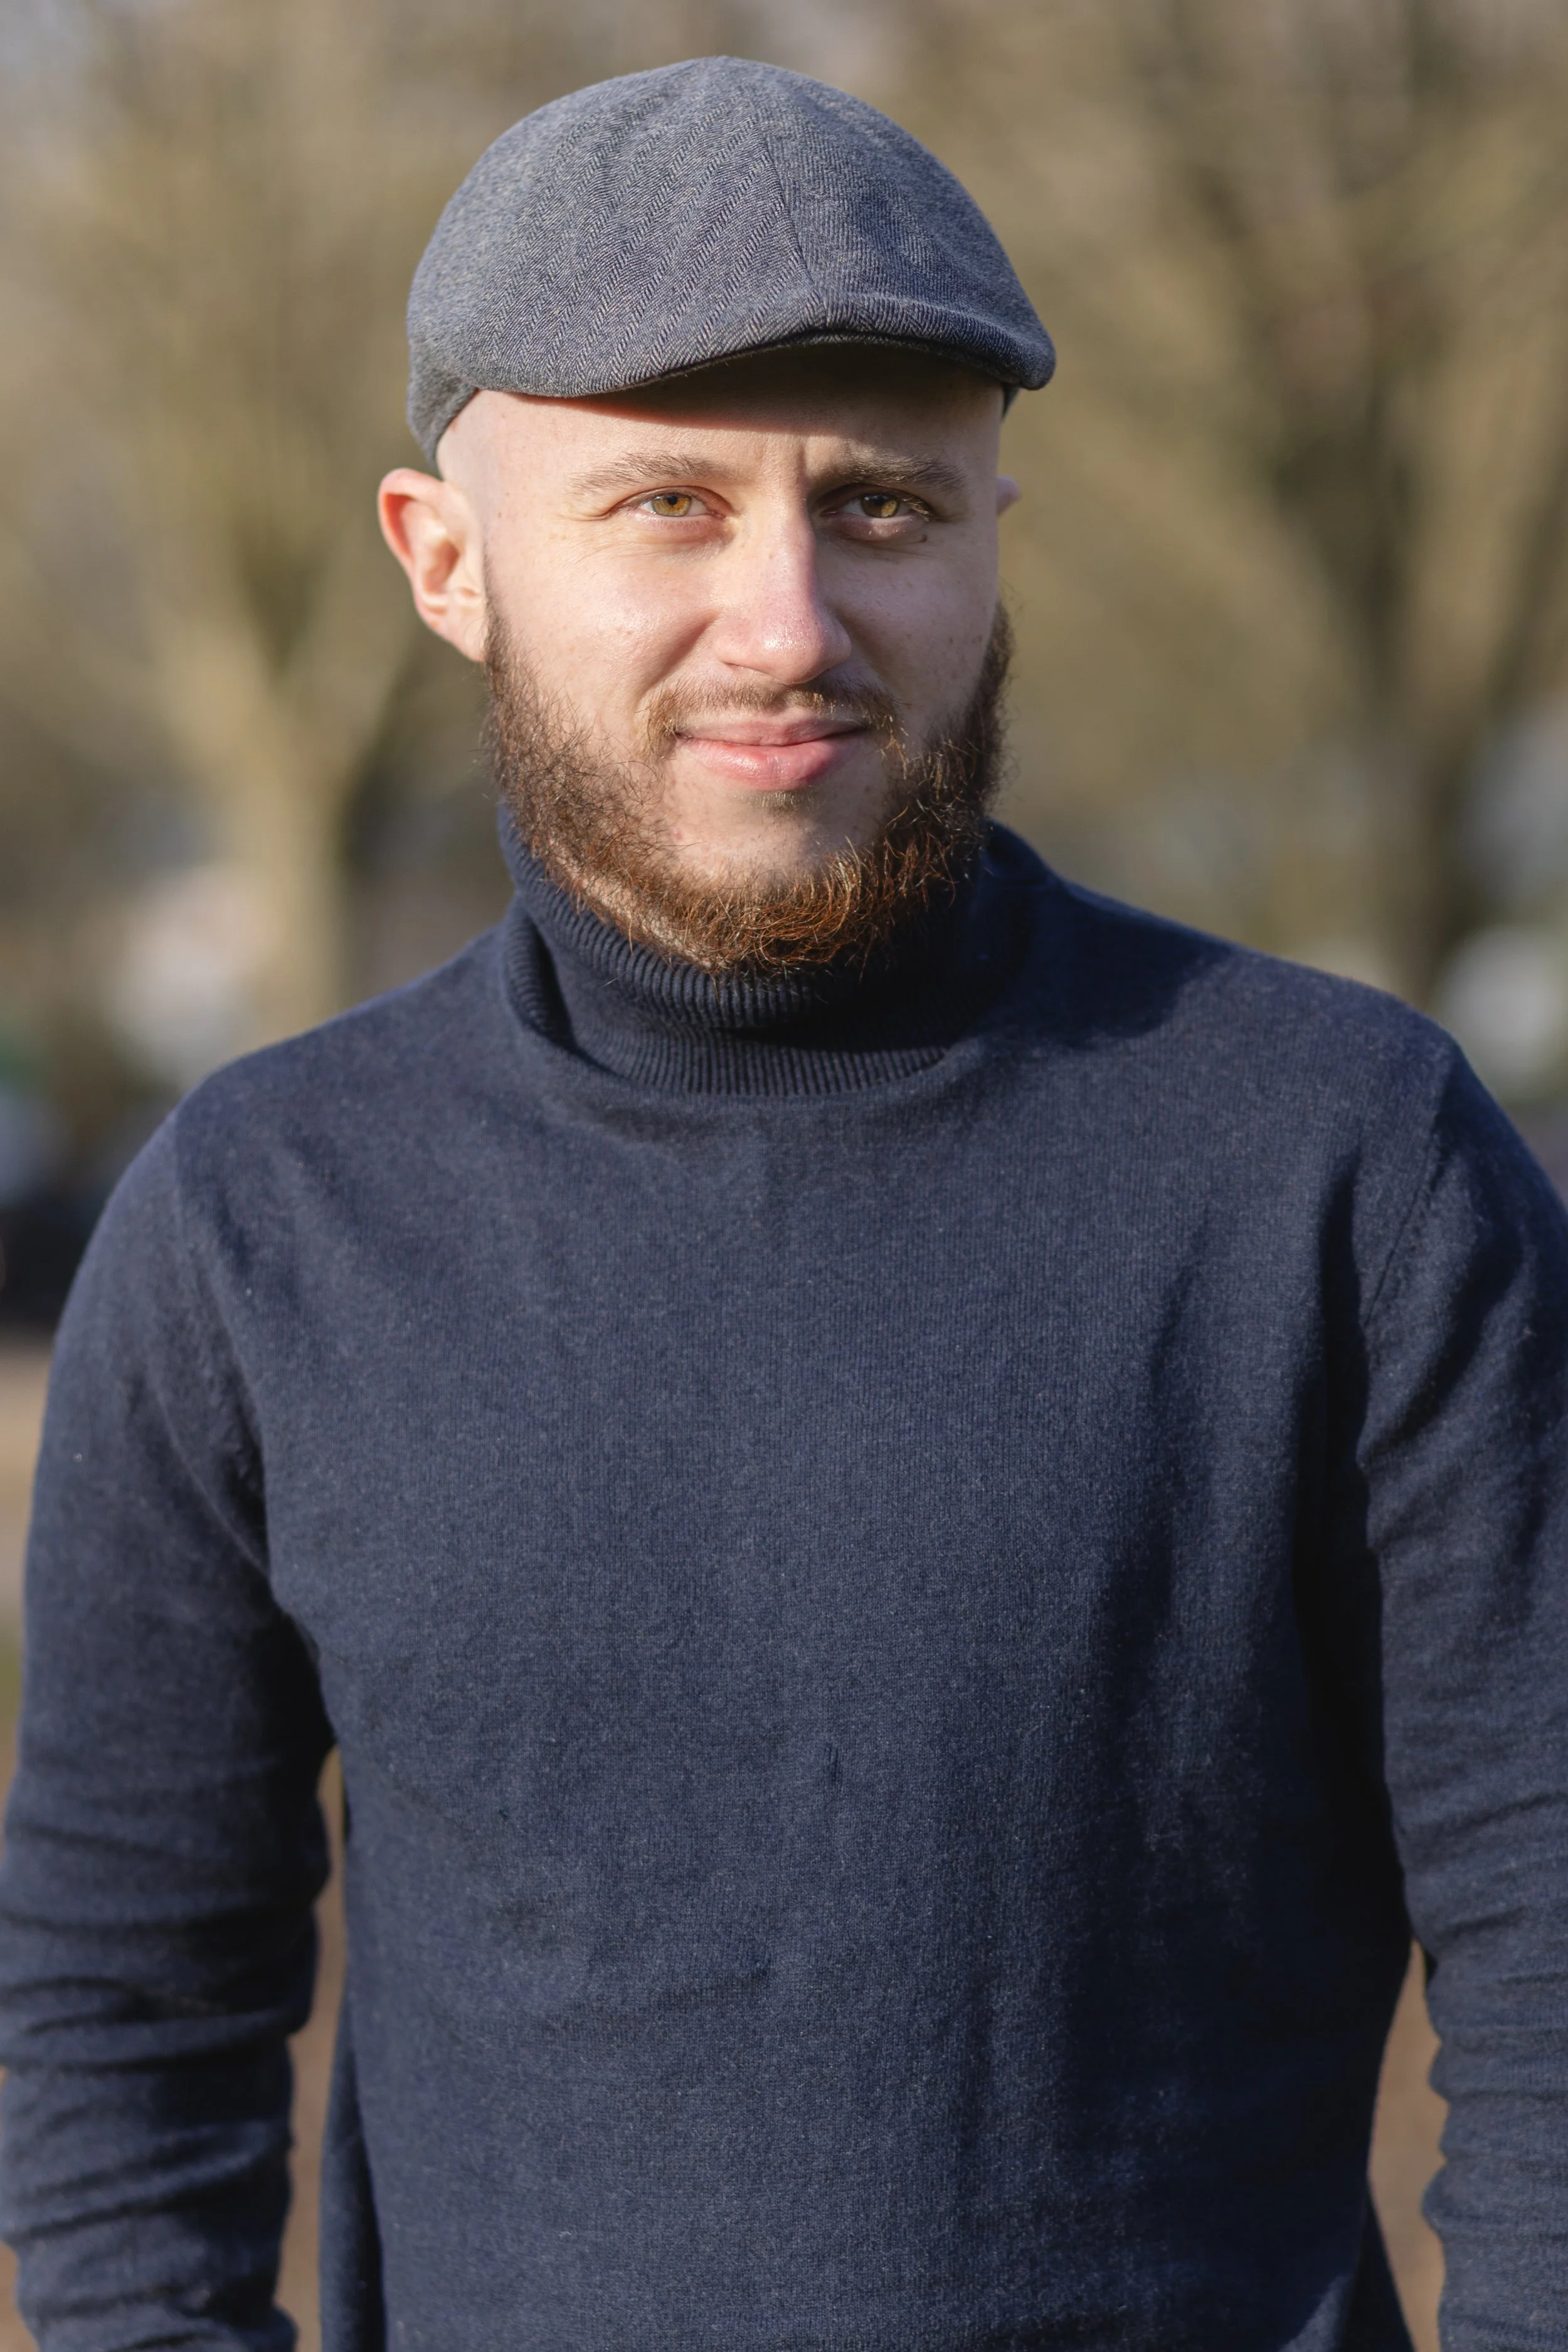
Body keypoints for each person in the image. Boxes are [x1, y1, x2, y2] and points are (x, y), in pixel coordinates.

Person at [1, 52, 1564, 2352]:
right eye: (661, 506)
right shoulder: (260, 1222)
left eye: (883, 508)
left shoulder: (1341, 1162)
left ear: (992, 533)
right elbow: (126, 2005)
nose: (787, 621)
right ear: (445, 563)